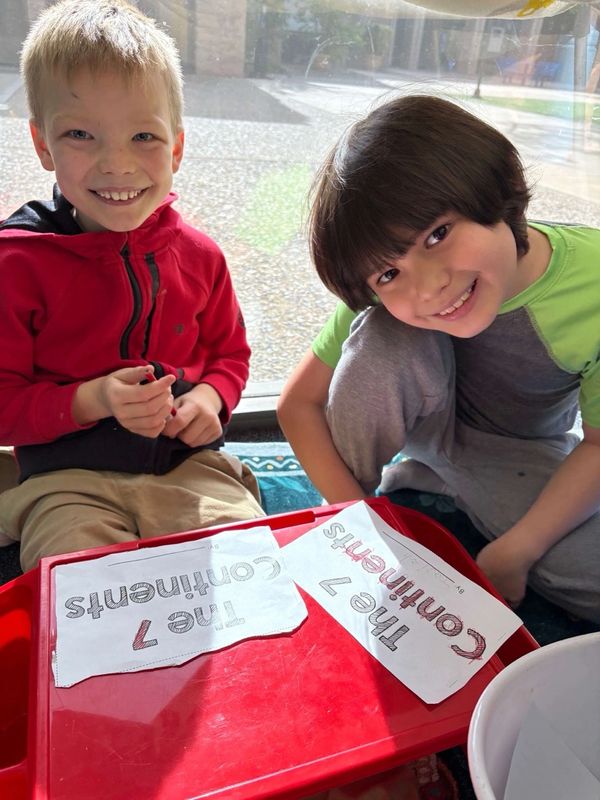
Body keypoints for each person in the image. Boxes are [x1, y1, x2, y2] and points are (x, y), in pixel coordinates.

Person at [278, 94, 600, 623]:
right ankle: (399, 483)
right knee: (386, 335)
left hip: (519, 455)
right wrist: (354, 516)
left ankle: (437, 484)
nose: (429, 287)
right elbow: (299, 403)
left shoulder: (588, 281)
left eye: (438, 234)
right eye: (388, 273)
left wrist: (517, 550)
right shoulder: (387, 308)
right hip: (420, 431)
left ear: (499, 193)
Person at [0, 0, 264, 571]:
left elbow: (230, 354)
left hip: (189, 468)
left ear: (176, 148)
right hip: (67, 481)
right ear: (42, 145)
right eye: (80, 134)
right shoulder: (16, 264)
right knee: (77, 587)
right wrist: (91, 400)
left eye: (143, 136)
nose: (117, 164)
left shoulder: (201, 256)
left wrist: (209, 398)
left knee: (248, 565)